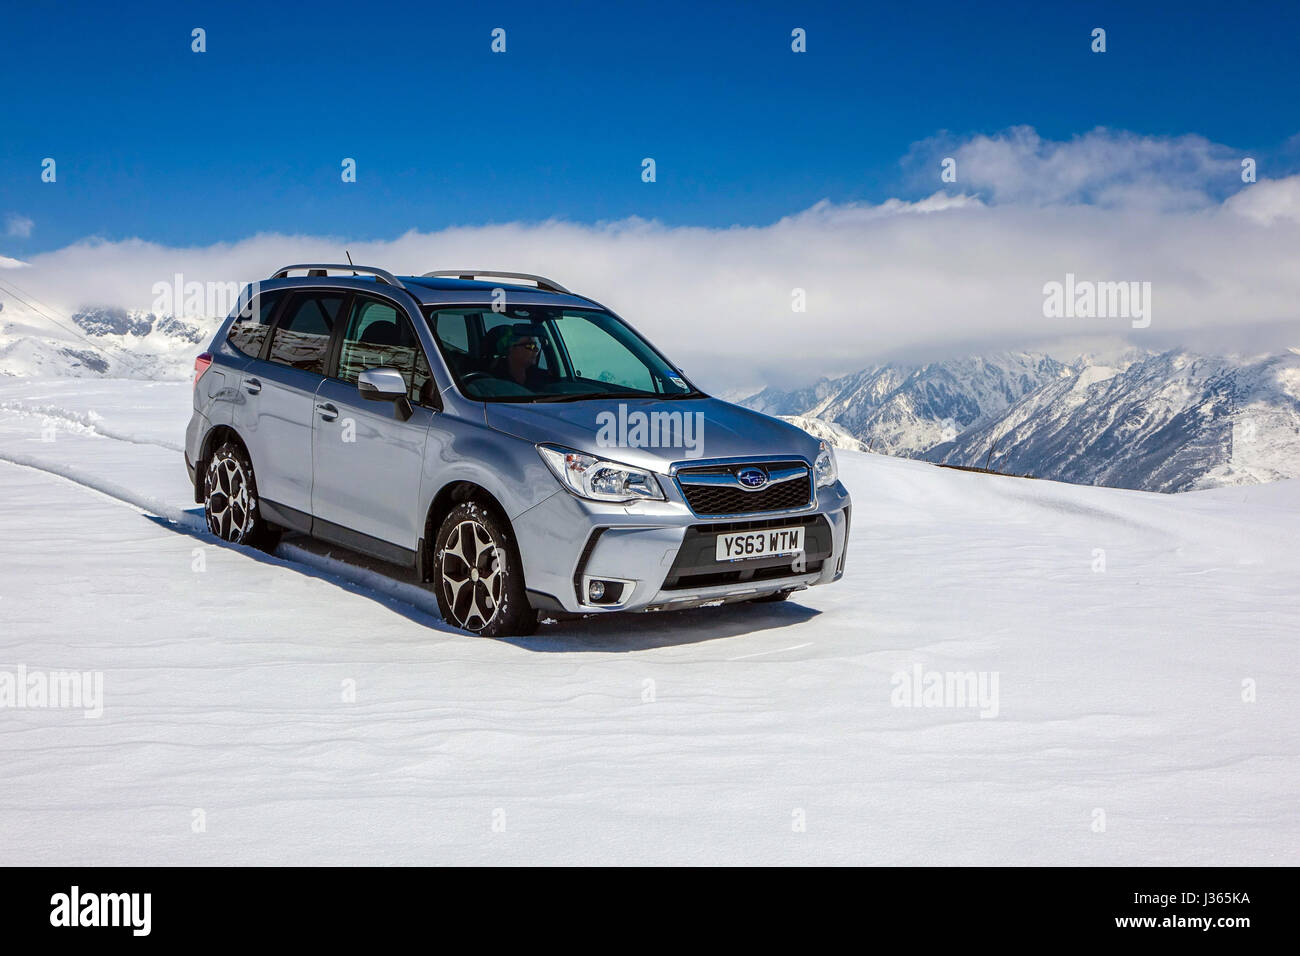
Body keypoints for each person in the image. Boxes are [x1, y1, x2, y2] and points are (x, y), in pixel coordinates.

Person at [489, 325, 552, 389]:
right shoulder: (491, 382)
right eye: (530, 345)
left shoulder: (544, 378)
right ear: (510, 348)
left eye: (535, 345)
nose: (536, 350)